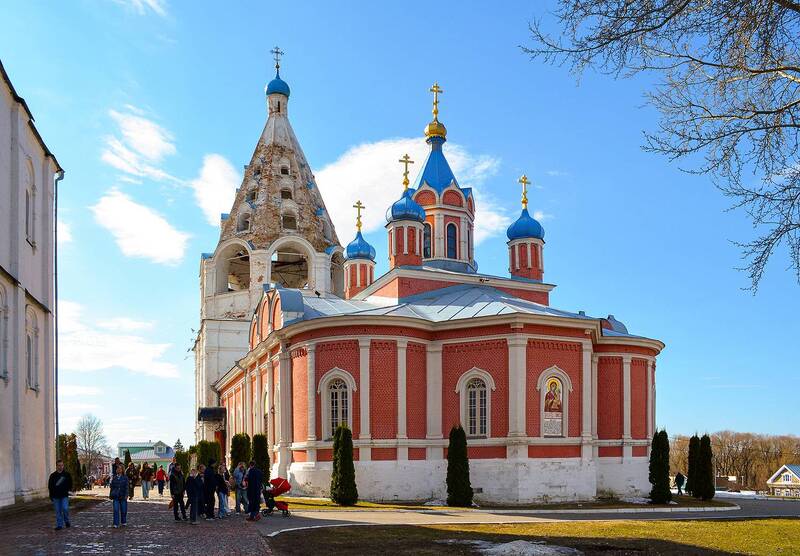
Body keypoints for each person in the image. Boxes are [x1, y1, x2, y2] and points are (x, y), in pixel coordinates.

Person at [48, 459, 73, 531]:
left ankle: (66, 520)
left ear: (63, 465)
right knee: (58, 511)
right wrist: (51, 495)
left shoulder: (67, 475)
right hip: (55, 496)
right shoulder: (53, 476)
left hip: (64, 495)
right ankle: (59, 525)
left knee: (65, 509)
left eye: (62, 465)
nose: (60, 467)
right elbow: (50, 486)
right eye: (59, 465)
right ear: (56, 466)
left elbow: (70, 483)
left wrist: (69, 490)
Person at [109, 464, 129, 528]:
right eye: (117, 468)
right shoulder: (114, 477)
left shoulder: (125, 477)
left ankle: (123, 522)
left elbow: (127, 487)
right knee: (116, 510)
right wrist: (111, 494)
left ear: (122, 469)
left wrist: (126, 495)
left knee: (123, 510)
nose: (118, 469)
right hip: (116, 496)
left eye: (120, 468)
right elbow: (112, 487)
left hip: (123, 496)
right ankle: (116, 523)